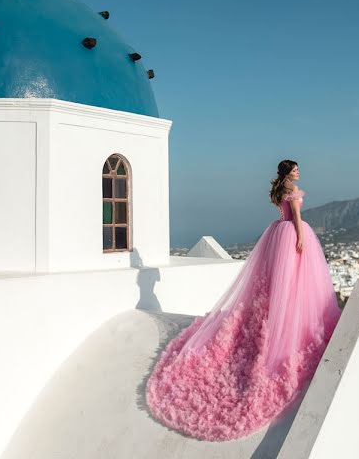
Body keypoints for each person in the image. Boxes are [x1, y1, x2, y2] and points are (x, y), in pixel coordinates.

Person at [145, 159, 342, 441]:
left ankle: (278, 313)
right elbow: (296, 216)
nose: (299, 172)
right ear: (288, 172)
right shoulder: (293, 189)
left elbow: (284, 212)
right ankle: (290, 320)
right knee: (295, 282)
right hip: (291, 234)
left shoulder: (279, 190)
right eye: (295, 168)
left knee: (277, 283)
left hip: (277, 233)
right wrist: (300, 237)